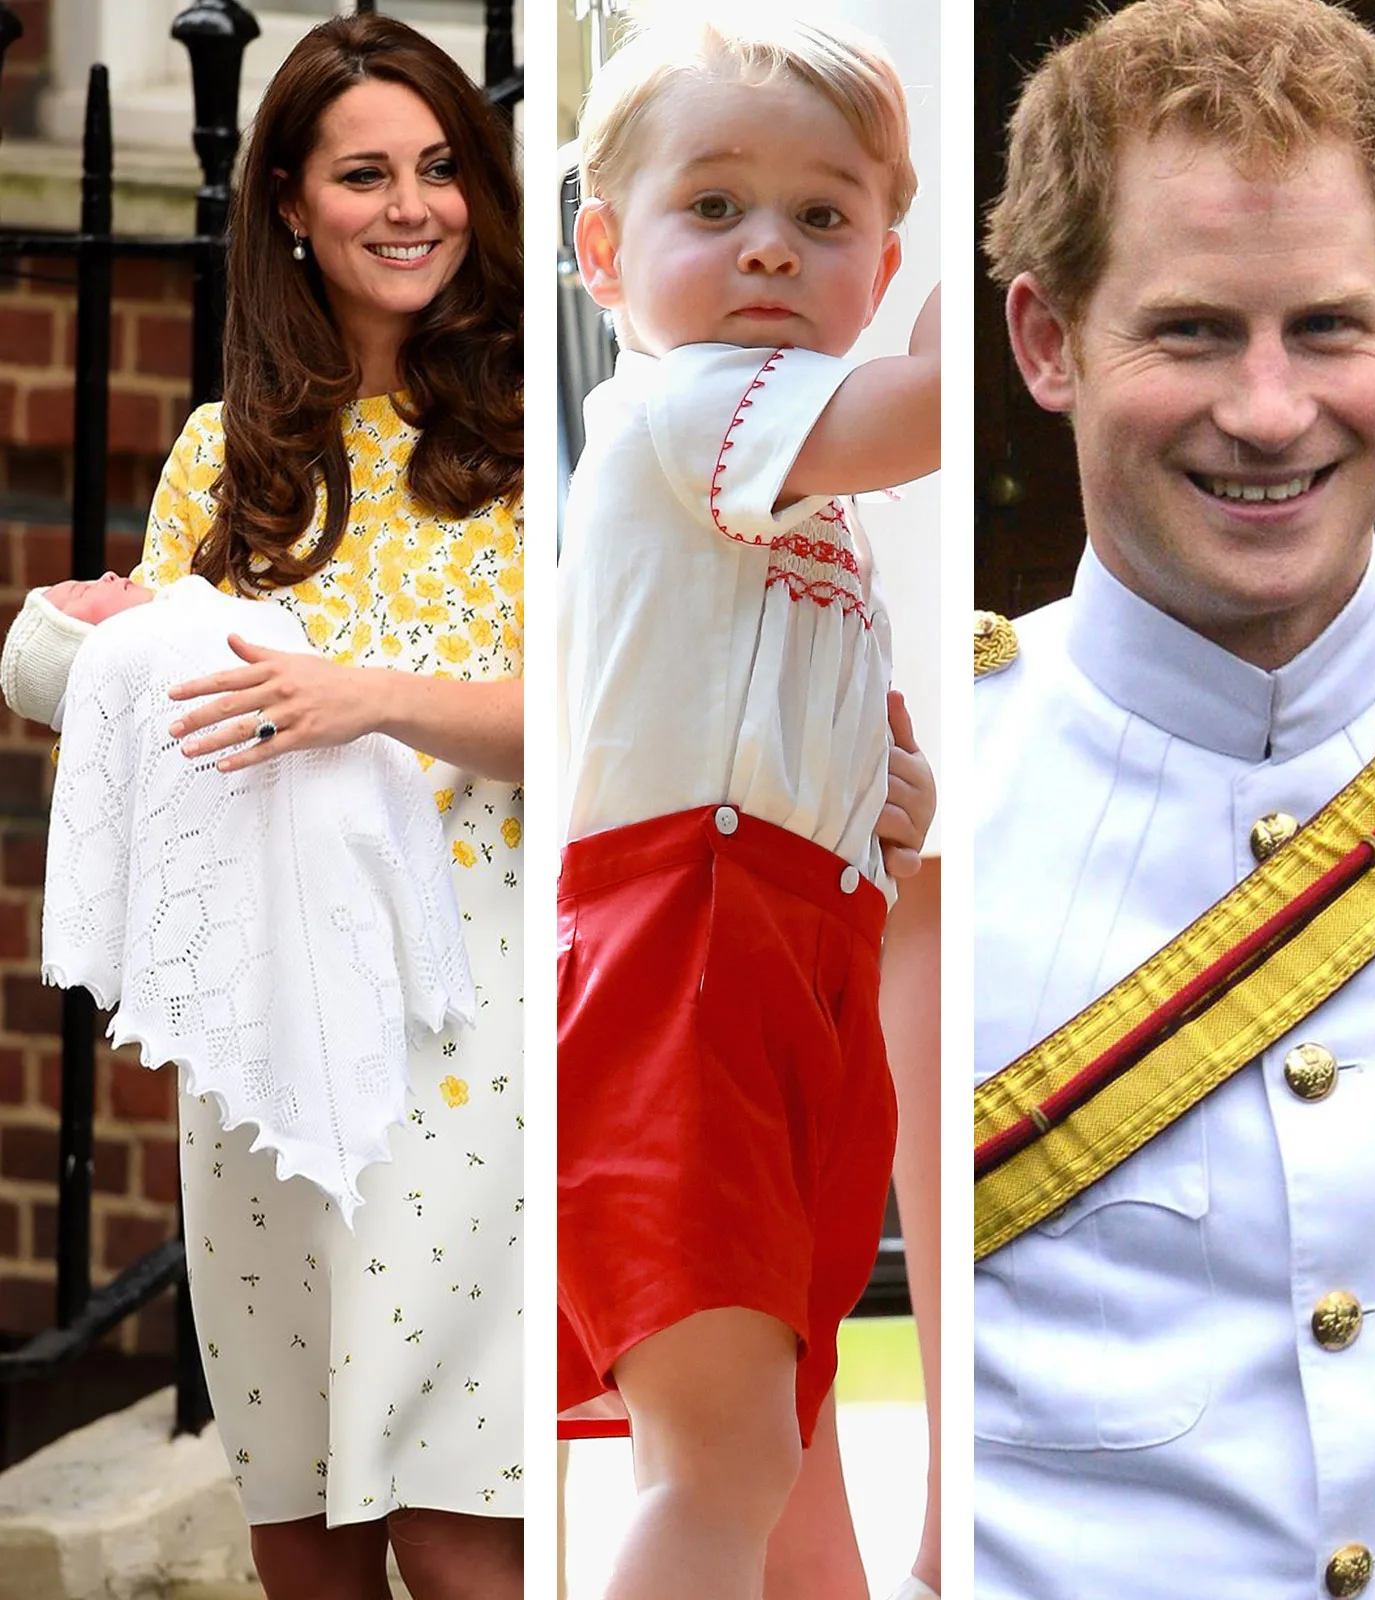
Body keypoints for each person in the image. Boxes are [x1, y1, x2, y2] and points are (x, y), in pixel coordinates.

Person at [973, 2, 1375, 1596]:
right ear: (1047, 341)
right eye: (1188, 332)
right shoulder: (902, 798)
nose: (1265, 409)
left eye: (1326, 327)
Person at [126, 14, 524, 1597]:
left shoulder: (530, 455)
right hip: (267, 1039)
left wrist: (372, 699)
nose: (411, 205)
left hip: (476, 1036)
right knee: (303, 1535)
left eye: (439, 169)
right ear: (291, 201)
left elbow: (610, 729)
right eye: (366, 173)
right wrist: (92, 646)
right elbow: (163, 727)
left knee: (461, 1533)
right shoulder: (224, 458)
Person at [553, 13, 937, 1600]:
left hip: (796, 955)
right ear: (602, 252)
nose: (771, 248)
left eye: (824, 217)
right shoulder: (688, 404)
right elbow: (924, 414)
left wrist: (879, 792)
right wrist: (1045, 286)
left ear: (877, 252)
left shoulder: (798, 487)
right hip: (681, 970)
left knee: (771, 1449)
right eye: (713, 208)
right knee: (719, 1462)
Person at [2, 574, 472, 1224]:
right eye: (80, 594)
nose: (107, 576)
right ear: (86, 649)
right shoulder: (133, 650)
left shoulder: (179, 606)